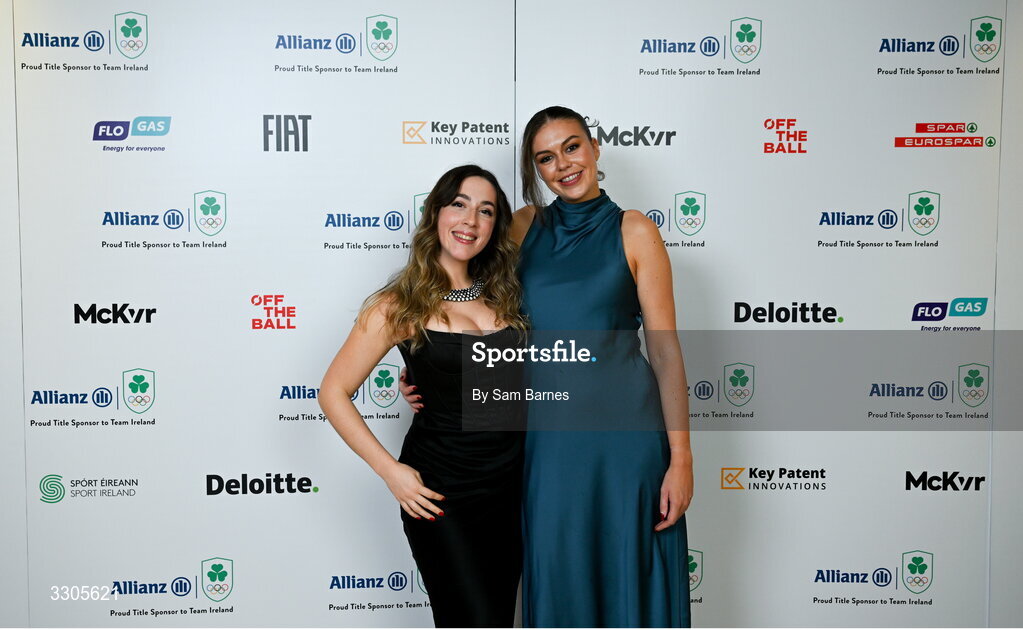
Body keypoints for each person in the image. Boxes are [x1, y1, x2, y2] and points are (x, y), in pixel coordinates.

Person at [404, 106, 693, 627]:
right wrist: (429, 371)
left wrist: (681, 458)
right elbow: (472, 306)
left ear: (594, 147)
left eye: (572, 147)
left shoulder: (636, 232)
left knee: (627, 575)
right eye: (545, 158)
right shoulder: (522, 226)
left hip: (625, 441)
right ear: (535, 170)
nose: (563, 164)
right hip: (545, 441)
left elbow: (667, 354)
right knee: (560, 576)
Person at [319, 164, 529, 628]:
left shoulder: (507, 298)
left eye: (486, 210)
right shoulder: (397, 306)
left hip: (511, 487)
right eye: (459, 204)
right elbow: (333, 391)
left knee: (496, 618)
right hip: (441, 492)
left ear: (496, 227)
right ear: (436, 212)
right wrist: (390, 472)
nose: (470, 220)